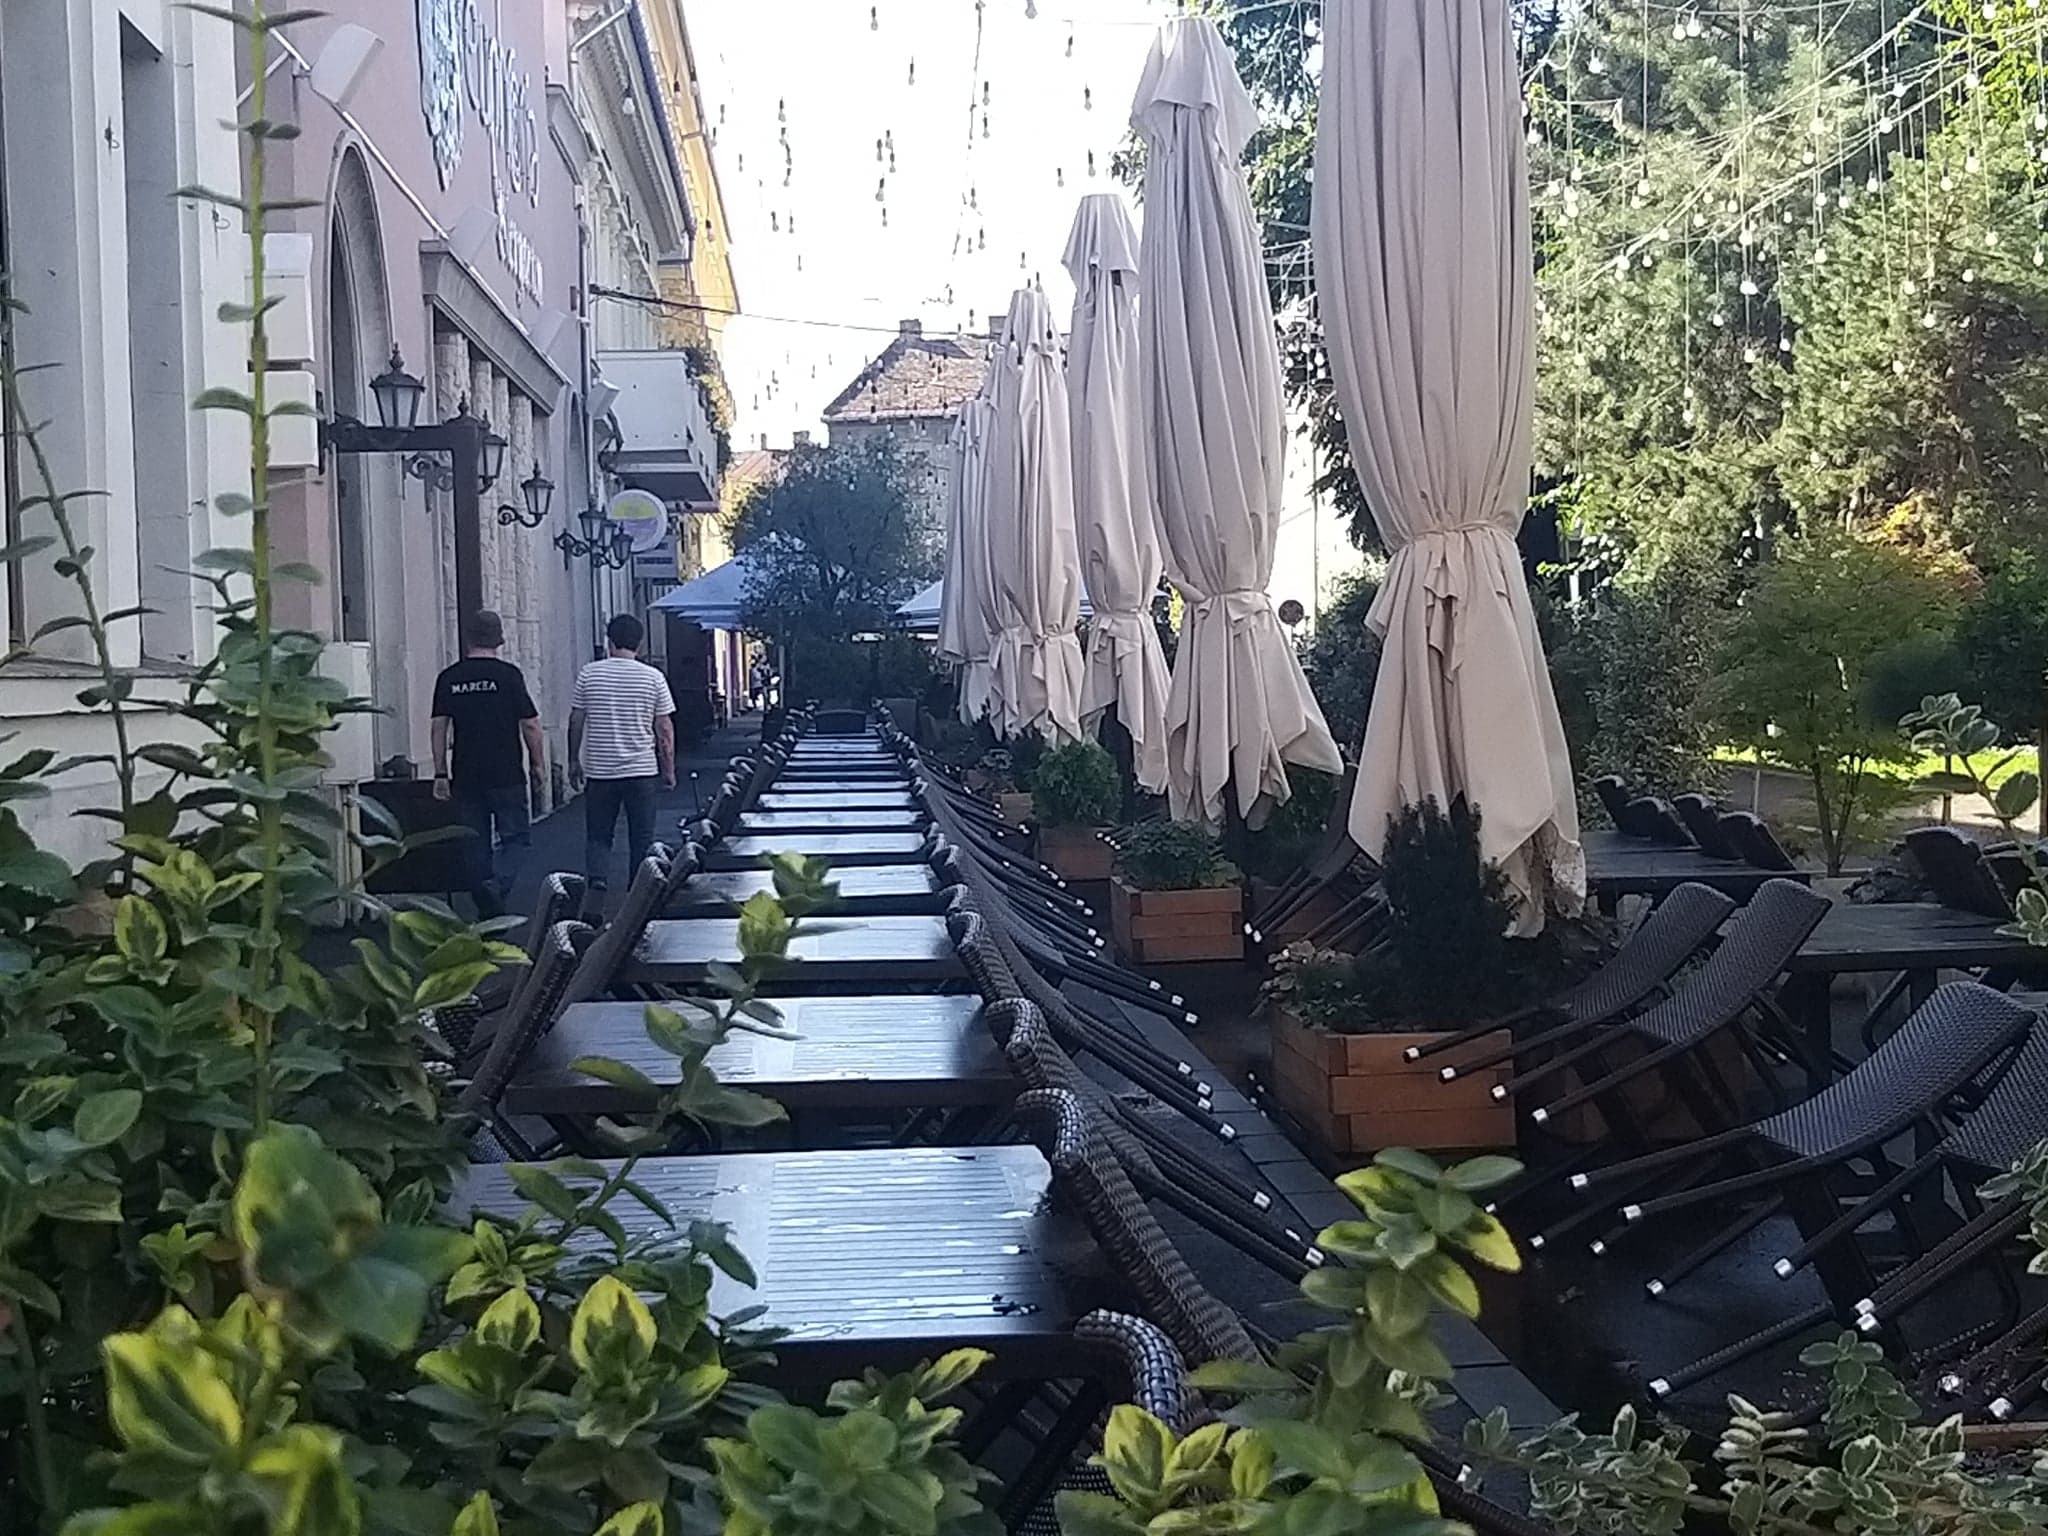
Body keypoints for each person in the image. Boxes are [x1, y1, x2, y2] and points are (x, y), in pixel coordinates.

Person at [431, 610, 545, 919]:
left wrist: (440, 772)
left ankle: (486, 900)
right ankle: (497, 886)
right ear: (499, 640)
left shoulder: (450, 678)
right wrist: (537, 764)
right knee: (516, 839)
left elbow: (439, 727)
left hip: (466, 774)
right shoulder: (509, 676)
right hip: (506, 773)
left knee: (473, 843)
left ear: (467, 638)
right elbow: (530, 724)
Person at [569, 613, 676, 899]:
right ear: (639, 644)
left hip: (600, 770)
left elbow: (576, 720)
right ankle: (637, 891)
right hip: (641, 770)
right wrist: (668, 769)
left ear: (609, 641)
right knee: (641, 835)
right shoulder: (653, 678)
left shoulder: (589, 674)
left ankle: (597, 881)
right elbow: (664, 729)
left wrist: (573, 759)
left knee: (599, 833)